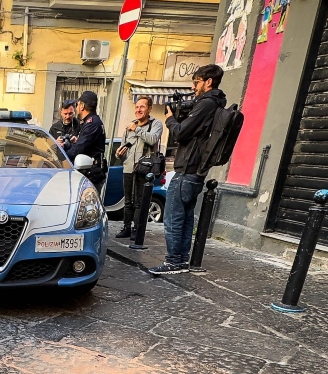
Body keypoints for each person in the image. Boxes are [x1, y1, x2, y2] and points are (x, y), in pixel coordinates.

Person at [149, 64, 225, 275]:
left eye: (196, 82)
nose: (194, 87)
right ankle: (181, 260)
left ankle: (174, 261)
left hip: (187, 169)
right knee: (185, 217)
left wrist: (170, 120)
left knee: (174, 218)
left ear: (208, 82)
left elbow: (181, 133)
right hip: (196, 169)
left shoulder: (206, 104)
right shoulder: (215, 104)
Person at [114, 96, 162, 240]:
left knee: (140, 202)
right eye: (136, 107)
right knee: (128, 201)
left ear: (149, 109)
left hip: (145, 169)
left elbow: (153, 139)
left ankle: (137, 230)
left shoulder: (156, 124)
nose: (138, 110)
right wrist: (118, 154)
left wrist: (138, 129)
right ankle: (126, 228)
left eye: (142, 107)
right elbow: (122, 148)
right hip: (129, 168)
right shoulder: (129, 127)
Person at [64, 90, 107, 190]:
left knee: (88, 204)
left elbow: (79, 149)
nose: (77, 107)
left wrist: (62, 156)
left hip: (92, 173)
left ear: (82, 106)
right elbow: (84, 145)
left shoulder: (91, 123)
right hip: (90, 171)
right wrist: (71, 143)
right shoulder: (89, 122)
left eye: (77, 104)